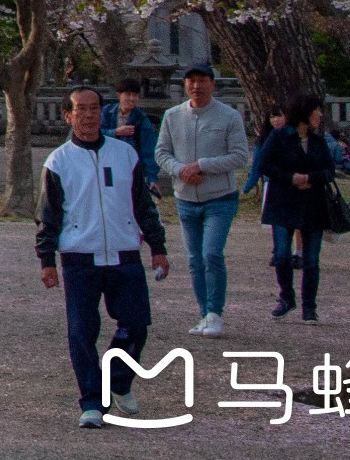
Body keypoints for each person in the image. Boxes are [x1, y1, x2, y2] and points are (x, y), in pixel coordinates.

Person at [38, 86, 170, 429]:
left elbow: (144, 205)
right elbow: (48, 215)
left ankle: (118, 382)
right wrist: (47, 260)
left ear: (103, 112)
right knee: (82, 332)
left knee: (136, 324)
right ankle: (92, 402)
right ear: (68, 115)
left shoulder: (125, 155)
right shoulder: (59, 161)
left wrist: (158, 247)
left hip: (124, 252)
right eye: (80, 109)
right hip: (79, 255)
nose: (88, 115)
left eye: (94, 108)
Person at [153, 64, 247, 336]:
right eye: (191, 81)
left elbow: (240, 156)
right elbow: (161, 153)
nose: (197, 86)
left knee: (211, 253)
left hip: (220, 197)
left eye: (202, 81)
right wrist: (180, 169)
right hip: (185, 197)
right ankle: (204, 314)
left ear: (212, 84)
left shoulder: (228, 116)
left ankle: (215, 313)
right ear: (185, 86)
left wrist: (203, 165)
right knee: (194, 259)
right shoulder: (172, 116)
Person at [259, 93, 335, 323]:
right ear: (305, 112)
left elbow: (329, 170)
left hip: (313, 204)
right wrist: (291, 177)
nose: (320, 115)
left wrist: (310, 177)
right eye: (317, 110)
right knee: (282, 255)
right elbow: (265, 164)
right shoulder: (279, 137)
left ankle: (309, 306)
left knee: (311, 259)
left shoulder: (319, 142)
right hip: (283, 202)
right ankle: (286, 297)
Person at [101, 78, 160, 196]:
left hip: (130, 166)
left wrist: (151, 177)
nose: (132, 99)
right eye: (128, 94)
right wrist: (115, 132)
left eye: (135, 95)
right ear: (118, 95)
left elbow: (149, 150)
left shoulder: (141, 119)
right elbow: (95, 133)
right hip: (106, 162)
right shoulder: (106, 112)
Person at [241, 104, 287, 196]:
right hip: (272, 185)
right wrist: (246, 188)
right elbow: (257, 166)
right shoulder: (264, 140)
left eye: (279, 116)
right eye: (272, 117)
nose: (276, 120)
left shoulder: (295, 137)